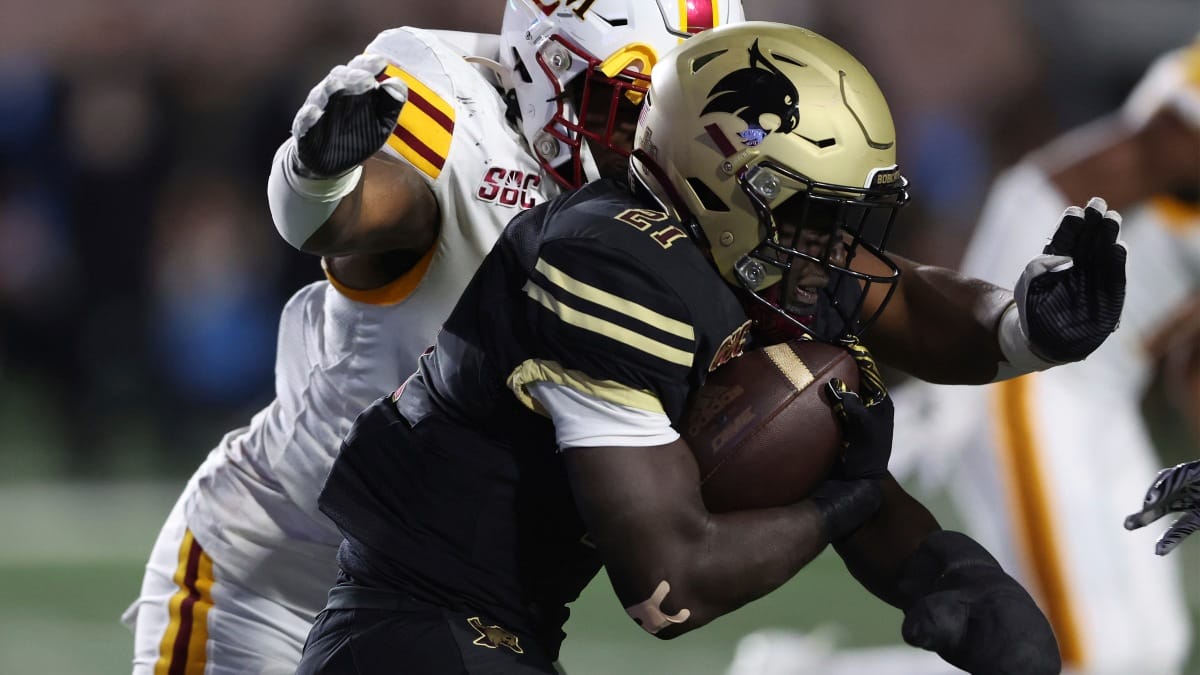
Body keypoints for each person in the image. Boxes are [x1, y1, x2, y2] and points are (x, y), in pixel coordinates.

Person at [298, 20, 1132, 674]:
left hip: (479, 636)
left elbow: (903, 296)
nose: (835, 245)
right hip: (412, 633)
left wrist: (1026, 329)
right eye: (816, 212)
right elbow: (671, 587)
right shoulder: (609, 260)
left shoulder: (740, 246)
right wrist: (849, 500)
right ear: (730, 179)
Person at [121, 1, 747, 673]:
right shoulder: (462, 117)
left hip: (465, 607)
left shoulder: (700, 206)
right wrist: (320, 174)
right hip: (274, 587)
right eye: (635, 106)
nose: (661, 139)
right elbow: (336, 216)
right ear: (552, 69)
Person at [729, 39, 1199, 675]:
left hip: (1107, 398)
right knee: (1094, 660)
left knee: (1148, 653)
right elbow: (1050, 191)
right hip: (1045, 388)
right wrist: (1001, 341)